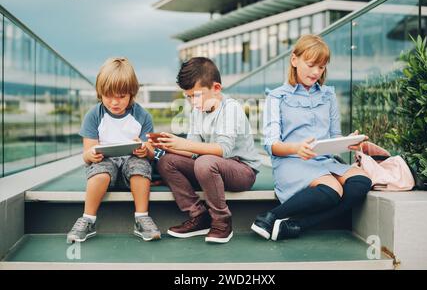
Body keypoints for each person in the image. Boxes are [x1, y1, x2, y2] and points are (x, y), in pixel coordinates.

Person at [251, 34, 372, 241]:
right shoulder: (276, 96)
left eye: (322, 67)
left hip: (324, 161)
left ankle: (296, 225)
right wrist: (297, 148)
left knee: (362, 181)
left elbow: (333, 136)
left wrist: (347, 142)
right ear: (294, 60)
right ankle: (268, 217)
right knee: (332, 190)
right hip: (291, 161)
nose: (316, 72)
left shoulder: (328, 95)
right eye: (311, 65)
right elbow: (271, 144)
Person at [153, 57, 261, 243]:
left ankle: (222, 221)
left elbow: (222, 150)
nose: (192, 101)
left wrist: (183, 145)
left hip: (242, 171)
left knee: (205, 162)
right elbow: (193, 150)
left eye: (196, 95)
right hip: (210, 167)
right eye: (188, 96)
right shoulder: (198, 110)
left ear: (216, 89)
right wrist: (169, 146)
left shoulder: (231, 108)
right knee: (166, 161)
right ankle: (199, 216)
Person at [66, 57, 160, 243]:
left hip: (132, 166)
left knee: (140, 167)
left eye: (121, 97)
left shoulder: (142, 115)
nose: (115, 102)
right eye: (109, 96)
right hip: (104, 167)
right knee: (100, 171)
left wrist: (144, 151)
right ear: (100, 93)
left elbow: (150, 151)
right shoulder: (94, 115)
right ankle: (88, 219)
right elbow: (86, 155)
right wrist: (92, 154)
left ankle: (141, 217)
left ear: (131, 94)